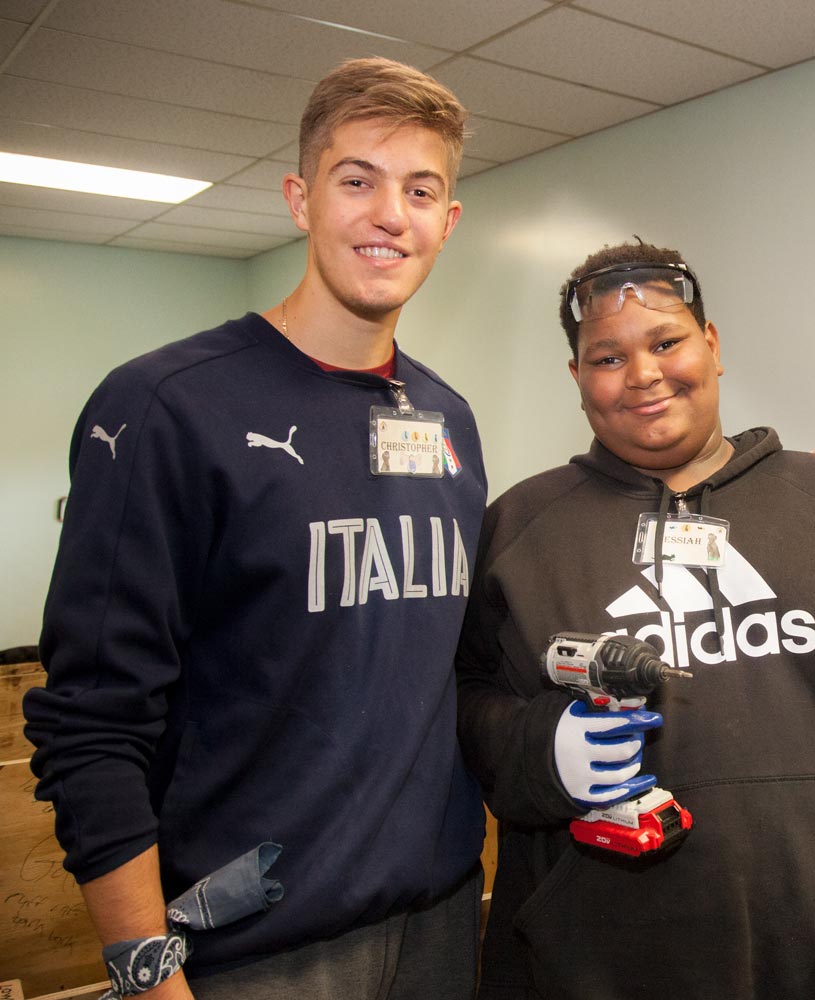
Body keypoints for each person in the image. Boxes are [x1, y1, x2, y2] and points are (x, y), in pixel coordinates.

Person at [24, 58, 486, 999]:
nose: (388, 214)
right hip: (254, 949)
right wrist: (143, 970)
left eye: (420, 189)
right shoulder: (165, 406)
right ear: (300, 198)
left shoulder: (449, 420)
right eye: (356, 180)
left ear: (448, 220)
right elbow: (92, 721)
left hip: (440, 921)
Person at [455, 241, 815, 1000]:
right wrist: (539, 749)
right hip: (588, 973)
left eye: (666, 342)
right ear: (577, 379)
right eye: (607, 358)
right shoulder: (519, 529)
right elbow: (461, 709)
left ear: (711, 346)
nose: (643, 375)